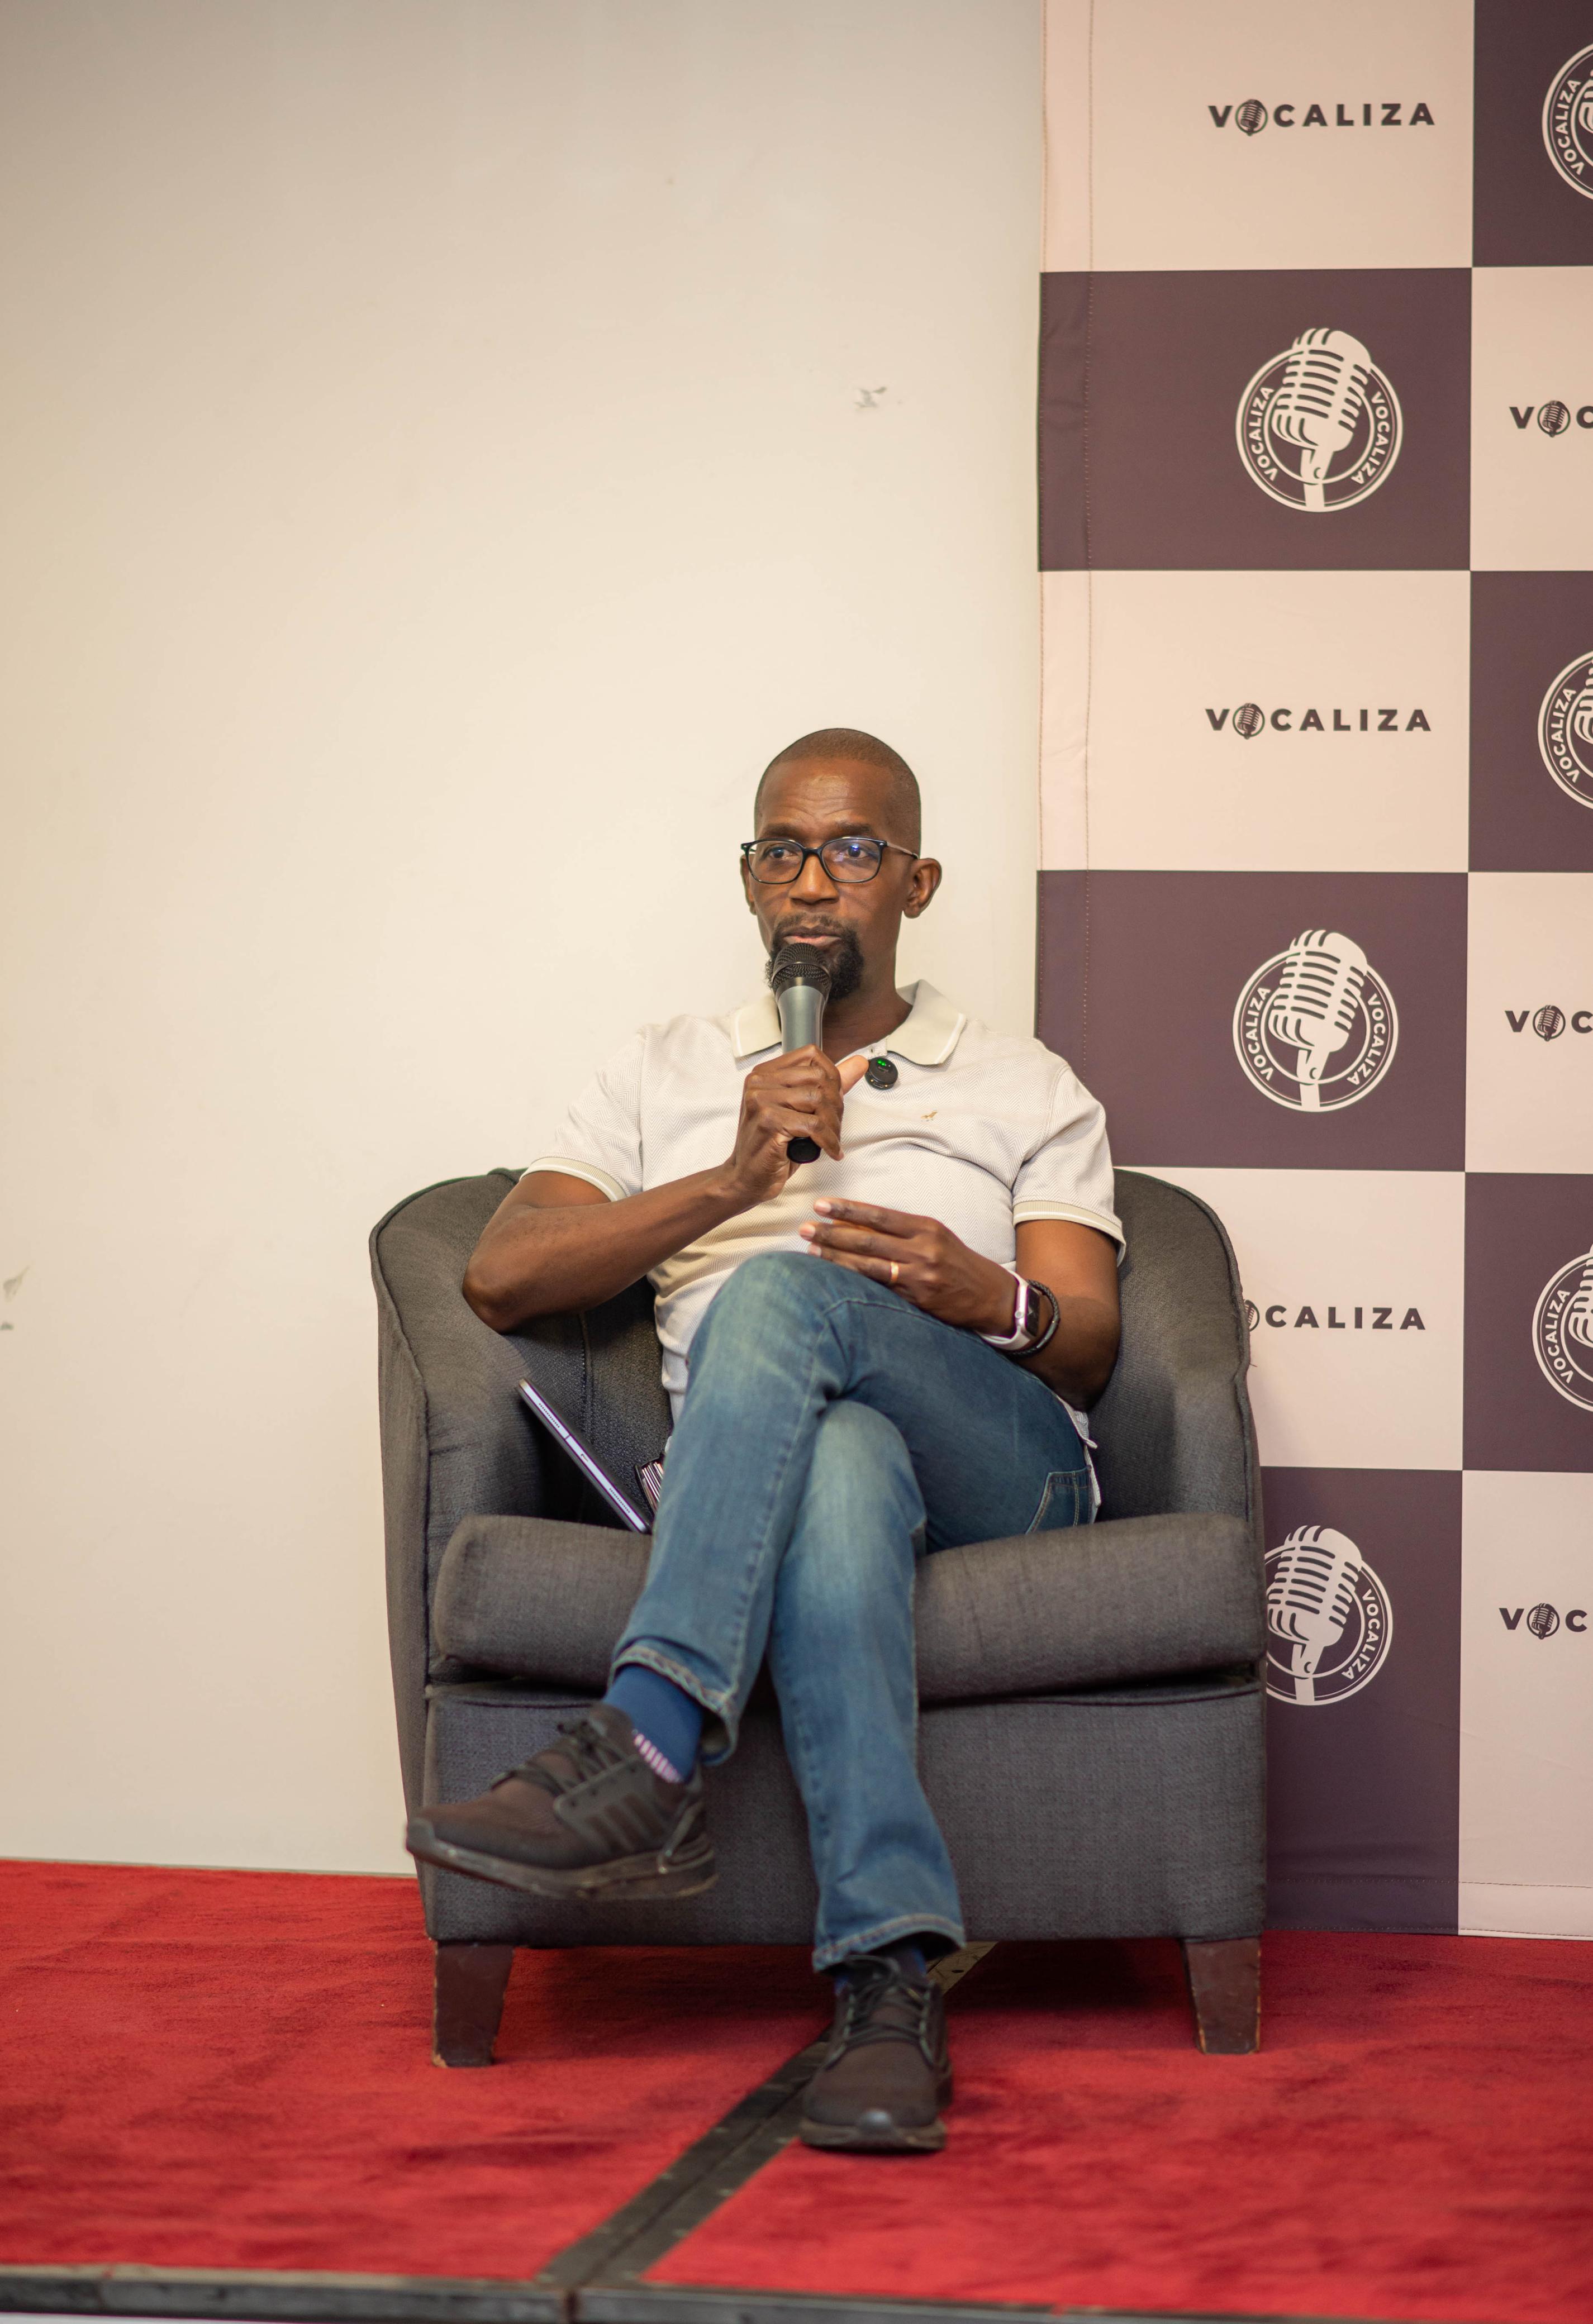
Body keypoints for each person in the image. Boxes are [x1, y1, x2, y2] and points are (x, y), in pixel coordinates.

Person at [406, 728, 1123, 2153]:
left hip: (1004, 1470)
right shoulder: (666, 1068)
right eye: (780, 851)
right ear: (747, 881)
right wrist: (730, 1181)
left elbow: (1089, 1344)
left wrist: (985, 1296)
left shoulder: (1022, 1079)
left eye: (850, 851)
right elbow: (502, 1273)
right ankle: (887, 1983)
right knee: (840, 1464)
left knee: (787, 1288)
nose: (810, 881)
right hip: (787, 1480)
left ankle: (647, 1738)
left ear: (916, 882)